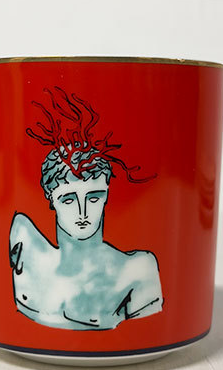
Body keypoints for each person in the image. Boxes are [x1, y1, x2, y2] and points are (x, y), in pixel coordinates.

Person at [9, 88, 163, 330]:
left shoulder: (136, 271)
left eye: (93, 197)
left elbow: (149, 331)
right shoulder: (24, 242)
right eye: (68, 200)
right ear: (51, 199)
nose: (82, 213)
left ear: (107, 194)